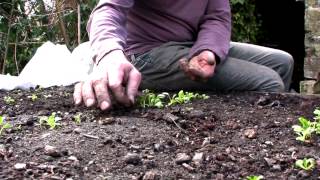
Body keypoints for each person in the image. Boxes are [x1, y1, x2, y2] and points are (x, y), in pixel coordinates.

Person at [73, 0, 294, 111]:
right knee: (268, 81)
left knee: (283, 62)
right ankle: (256, 142)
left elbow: (216, 17)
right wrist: (109, 54)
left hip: (189, 46)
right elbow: (109, 9)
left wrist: (207, 51)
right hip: (145, 52)